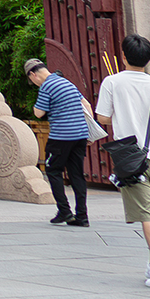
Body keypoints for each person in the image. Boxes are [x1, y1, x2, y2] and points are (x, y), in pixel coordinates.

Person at [97, 33, 150, 291]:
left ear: (123, 56)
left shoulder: (112, 82)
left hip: (132, 157)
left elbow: (103, 118)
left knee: (146, 215)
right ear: (148, 58)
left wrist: (123, 116)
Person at [26, 57, 95, 227]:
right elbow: (85, 103)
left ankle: (64, 211)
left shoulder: (46, 87)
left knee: (53, 170)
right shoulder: (66, 82)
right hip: (79, 135)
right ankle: (82, 216)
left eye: (31, 80)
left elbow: (39, 113)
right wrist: (89, 130)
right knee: (76, 174)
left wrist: (37, 105)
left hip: (61, 137)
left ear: (33, 75)